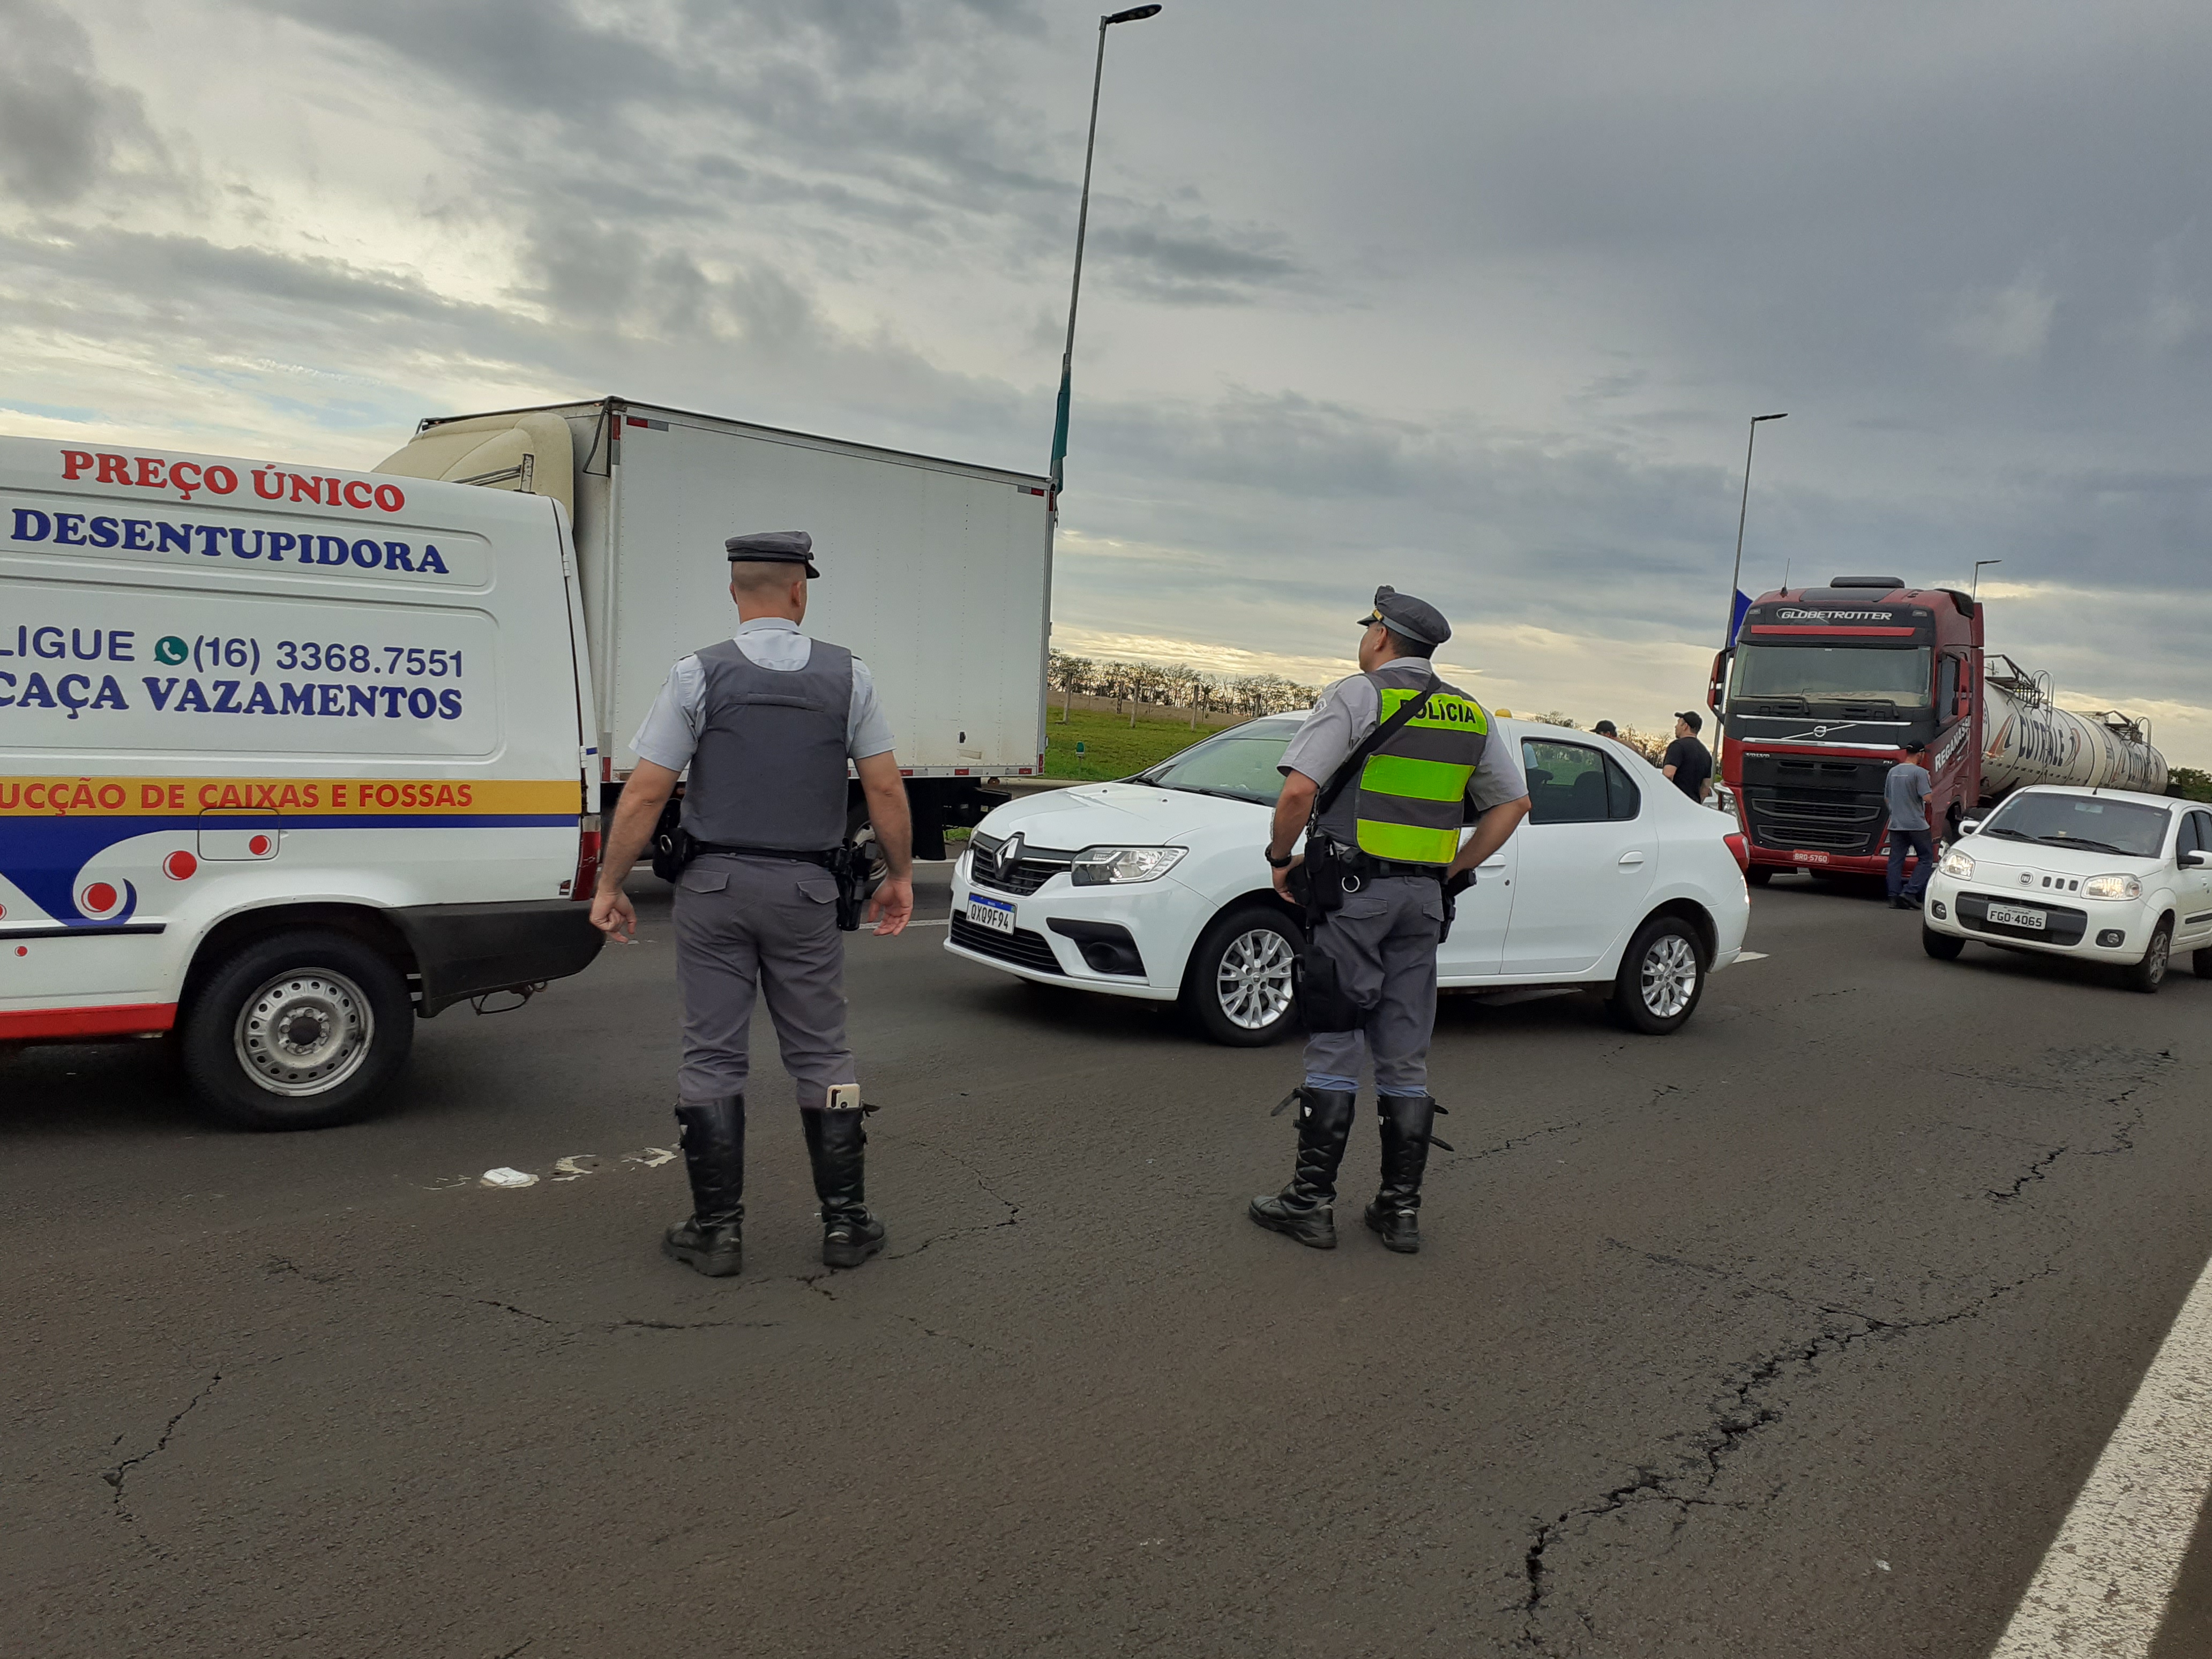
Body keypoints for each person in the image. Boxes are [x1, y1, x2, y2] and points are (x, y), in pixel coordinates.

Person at [591, 530, 915, 1279]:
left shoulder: (696, 674)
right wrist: (898, 875)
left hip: (713, 891)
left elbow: (645, 791)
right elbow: (884, 786)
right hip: (807, 892)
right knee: (823, 1051)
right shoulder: (849, 677)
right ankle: (845, 1226)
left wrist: (610, 885)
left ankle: (717, 1233)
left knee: (712, 1053)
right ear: (800, 591)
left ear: (735, 591)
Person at [1249, 586, 1531, 1256]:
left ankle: (1310, 1203)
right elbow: (1514, 805)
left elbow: (1298, 791)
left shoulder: (1358, 695)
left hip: (1353, 897)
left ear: (1380, 636)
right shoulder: (1469, 714)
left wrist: (1280, 858)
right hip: (1423, 903)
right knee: (1404, 1053)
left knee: (1336, 1040)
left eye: (1367, 629)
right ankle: (1399, 1211)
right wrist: (1454, 869)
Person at [1885, 741, 1935, 910]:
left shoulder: (1893, 772)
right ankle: (1909, 892)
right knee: (1926, 858)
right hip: (1916, 825)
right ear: (1920, 754)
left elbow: (1887, 798)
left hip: (1896, 824)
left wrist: (1895, 812)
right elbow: (1927, 798)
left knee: (1895, 860)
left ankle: (1893, 897)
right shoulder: (1920, 773)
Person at [1662, 711, 1712, 803]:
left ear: (1685, 726)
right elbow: (1705, 786)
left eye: (1678, 723)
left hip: (1674, 803)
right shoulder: (1706, 753)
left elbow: (1668, 774)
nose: (1676, 727)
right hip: (1693, 806)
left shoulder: (1677, 746)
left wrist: (1664, 798)